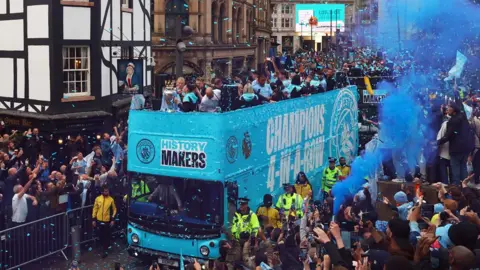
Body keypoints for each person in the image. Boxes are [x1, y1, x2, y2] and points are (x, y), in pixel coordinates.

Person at [437, 103, 472, 185]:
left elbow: (448, 136)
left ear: (454, 110)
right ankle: (465, 187)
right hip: (465, 149)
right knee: (463, 168)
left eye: (449, 107)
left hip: (456, 149)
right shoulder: (463, 118)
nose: (447, 109)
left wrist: (437, 143)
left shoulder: (452, 121)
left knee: (455, 171)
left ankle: (456, 189)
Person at [92, 184, 117, 258]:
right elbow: (95, 209)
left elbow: (114, 209)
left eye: (107, 191)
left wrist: (112, 219)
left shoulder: (111, 199)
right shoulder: (98, 199)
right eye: (105, 191)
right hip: (99, 220)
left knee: (107, 235)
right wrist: (93, 219)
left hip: (107, 221)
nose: (107, 192)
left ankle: (105, 249)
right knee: (100, 235)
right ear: (102, 192)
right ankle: (103, 247)